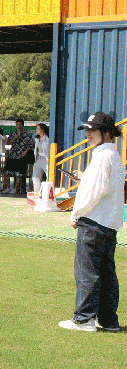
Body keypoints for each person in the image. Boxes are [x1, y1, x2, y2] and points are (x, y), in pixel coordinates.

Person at [59, 112, 124, 332]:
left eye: (92, 130)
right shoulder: (114, 156)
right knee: (106, 273)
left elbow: (94, 193)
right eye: (87, 130)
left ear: (105, 132)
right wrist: (84, 177)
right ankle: (108, 320)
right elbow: (103, 187)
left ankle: (84, 319)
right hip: (109, 223)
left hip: (93, 222)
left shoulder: (102, 157)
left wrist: (75, 214)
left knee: (87, 272)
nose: (88, 134)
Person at [5, 119, 35, 195]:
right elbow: (8, 143)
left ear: (23, 125)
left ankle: (16, 189)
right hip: (12, 155)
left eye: (20, 124)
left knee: (19, 173)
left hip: (21, 156)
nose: (19, 126)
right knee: (7, 172)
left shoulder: (26, 135)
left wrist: (25, 152)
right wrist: (15, 137)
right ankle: (7, 188)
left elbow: (30, 145)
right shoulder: (13, 133)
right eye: (17, 124)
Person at [32, 123, 51, 196]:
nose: (36, 130)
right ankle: (37, 193)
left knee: (49, 176)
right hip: (38, 158)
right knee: (35, 177)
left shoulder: (47, 139)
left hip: (46, 159)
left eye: (38, 128)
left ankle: (48, 193)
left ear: (42, 129)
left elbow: (48, 149)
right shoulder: (37, 139)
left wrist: (49, 158)